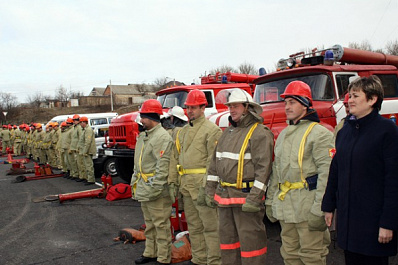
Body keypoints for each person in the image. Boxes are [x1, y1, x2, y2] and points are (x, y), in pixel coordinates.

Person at [322, 75, 398, 265]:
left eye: (356, 96)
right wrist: (328, 206)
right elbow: (336, 170)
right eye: (349, 95)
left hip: (374, 224)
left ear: (372, 99)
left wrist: (388, 223)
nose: (350, 100)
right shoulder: (345, 131)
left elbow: (393, 180)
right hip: (349, 222)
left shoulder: (387, 131)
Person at [265, 81, 333, 265]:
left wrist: (320, 209)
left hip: (307, 208)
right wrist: (270, 201)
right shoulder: (284, 135)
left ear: (305, 104)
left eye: (292, 102)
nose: (287, 107)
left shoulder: (320, 134)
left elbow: (327, 175)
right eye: (286, 102)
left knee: (312, 256)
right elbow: (276, 172)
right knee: (290, 255)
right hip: (286, 208)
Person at [203, 88, 273, 264]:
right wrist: (209, 191)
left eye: (235, 106)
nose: (231, 110)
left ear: (247, 107)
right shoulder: (227, 132)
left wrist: (254, 199)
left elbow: (264, 170)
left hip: (246, 200)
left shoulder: (259, 132)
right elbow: (214, 165)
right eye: (230, 106)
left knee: (252, 247)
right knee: (228, 245)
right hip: (225, 199)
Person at [169, 89, 222, 265]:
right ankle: (199, 259)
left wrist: (209, 189)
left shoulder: (212, 130)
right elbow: (175, 158)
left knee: (211, 228)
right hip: (186, 187)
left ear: (203, 107)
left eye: (193, 107)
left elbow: (212, 163)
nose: (189, 111)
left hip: (202, 187)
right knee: (194, 227)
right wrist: (173, 183)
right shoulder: (183, 132)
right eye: (188, 107)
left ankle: (214, 261)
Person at [131, 99, 174, 265]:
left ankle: (163, 257)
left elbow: (163, 166)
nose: (141, 120)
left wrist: (156, 188)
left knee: (161, 224)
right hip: (144, 187)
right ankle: (151, 252)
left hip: (156, 190)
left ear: (152, 117)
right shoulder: (144, 136)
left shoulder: (162, 138)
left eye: (143, 117)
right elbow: (138, 164)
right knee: (149, 224)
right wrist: (135, 183)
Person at [79, 116, 97, 185]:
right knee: (86, 165)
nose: (80, 124)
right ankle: (88, 178)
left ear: (84, 122)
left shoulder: (88, 130)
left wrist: (85, 151)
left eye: (81, 122)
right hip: (86, 151)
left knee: (89, 165)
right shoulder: (85, 130)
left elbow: (87, 142)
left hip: (88, 151)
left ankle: (91, 179)